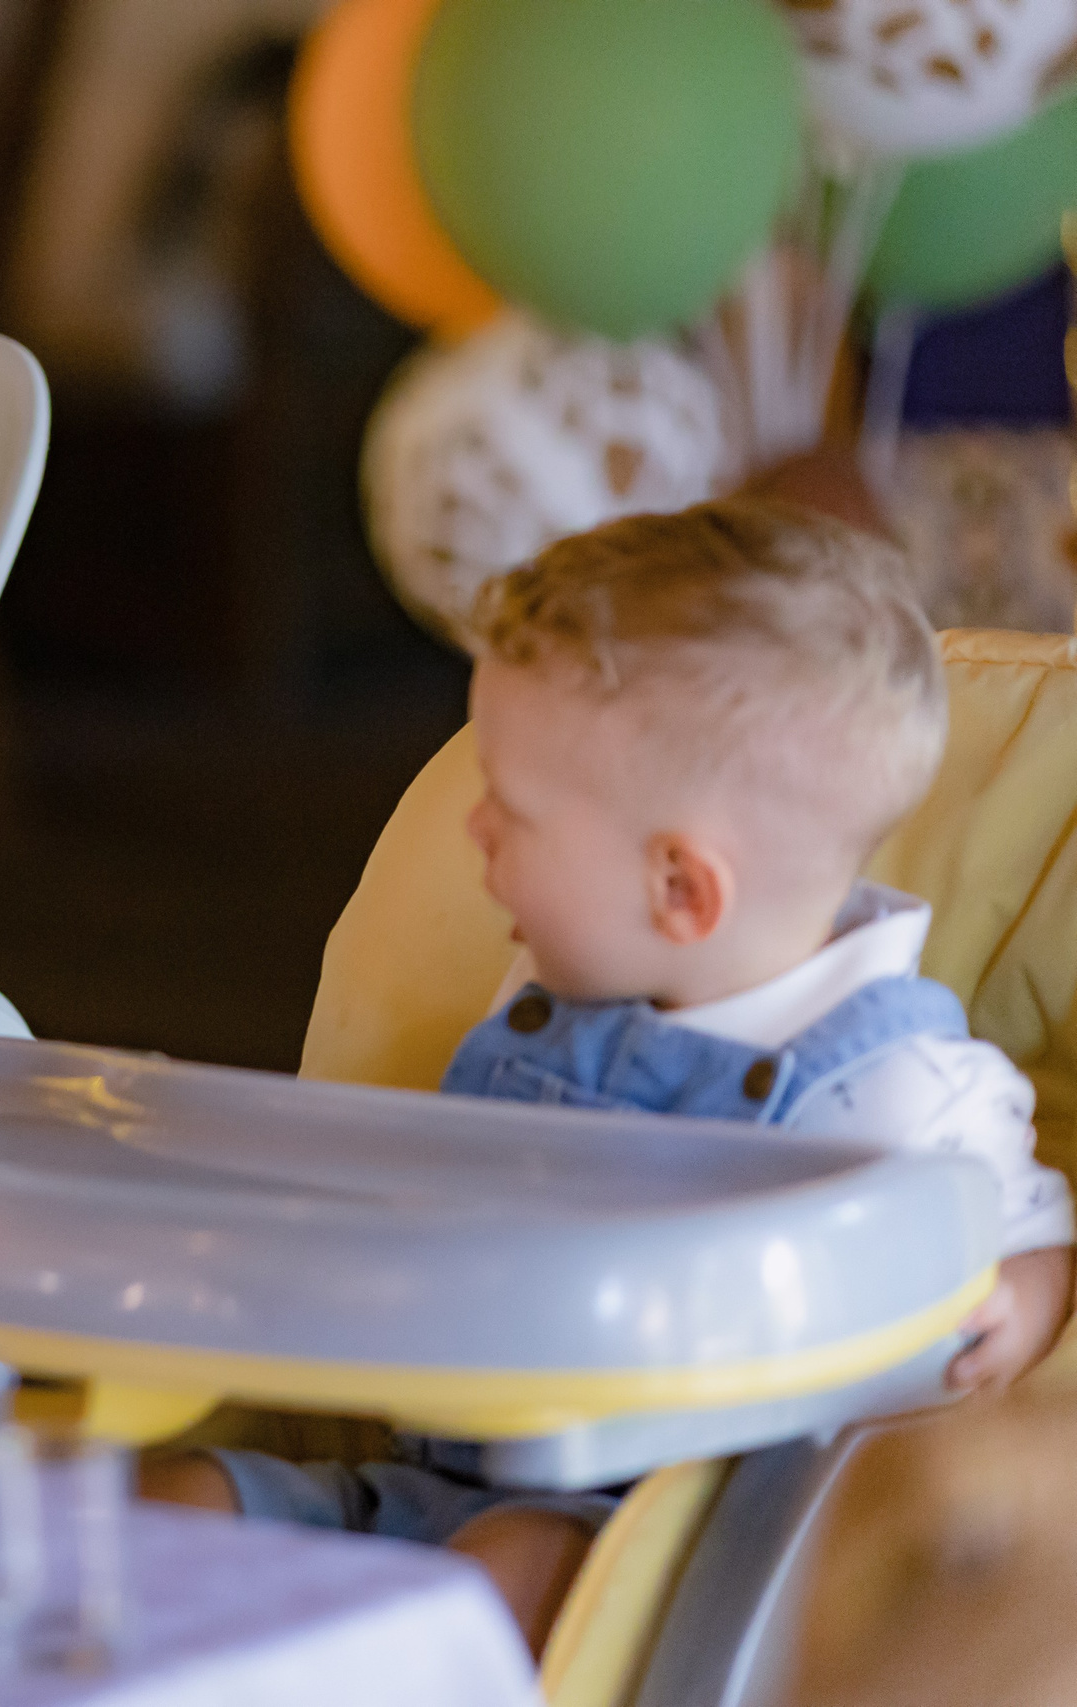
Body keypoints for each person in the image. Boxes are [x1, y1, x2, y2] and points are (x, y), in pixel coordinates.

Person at [142, 499, 1076, 1653]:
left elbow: (1032, 1238)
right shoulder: (541, 998)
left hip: (661, 1551)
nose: (473, 830)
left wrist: (1015, 1299)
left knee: (492, 1582)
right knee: (169, 1501)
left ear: (681, 890)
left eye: (512, 811)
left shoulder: (897, 1088)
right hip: (434, 1472)